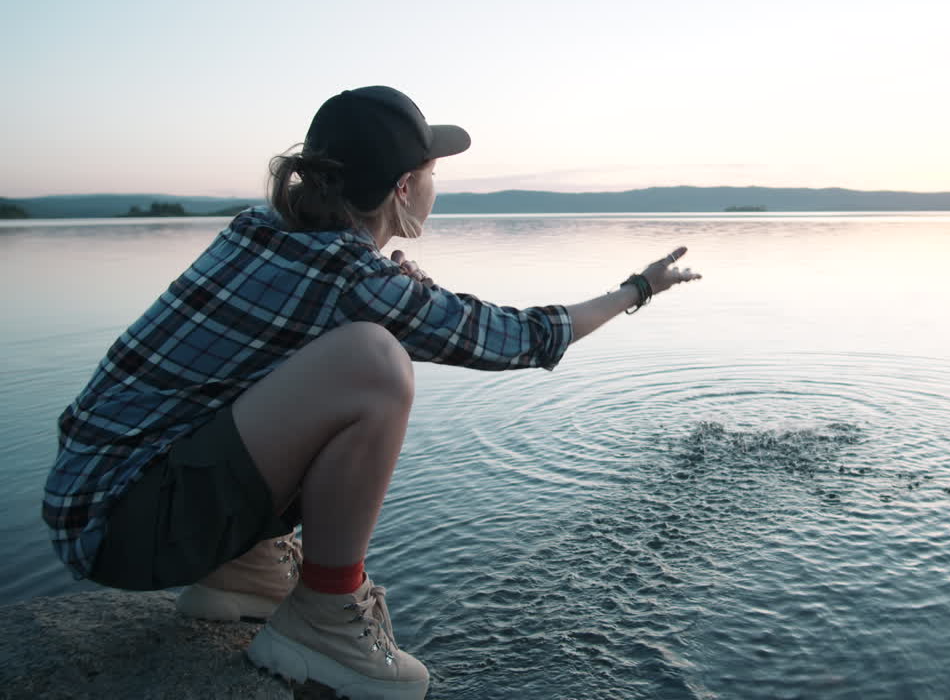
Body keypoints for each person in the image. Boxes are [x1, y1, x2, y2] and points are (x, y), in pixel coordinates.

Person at [43, 85, 701, 700]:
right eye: (433, 173)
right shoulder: (350, 276)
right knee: (376, 363)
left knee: (349, 348)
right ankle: (326, 619)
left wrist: (398, 297)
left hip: (99, 500)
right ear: (406, 187)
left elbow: (304, 328)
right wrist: (636, 289)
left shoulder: (264, 231)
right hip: (122, 526)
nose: (436, 185)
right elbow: (518, 339)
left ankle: (242, 571)